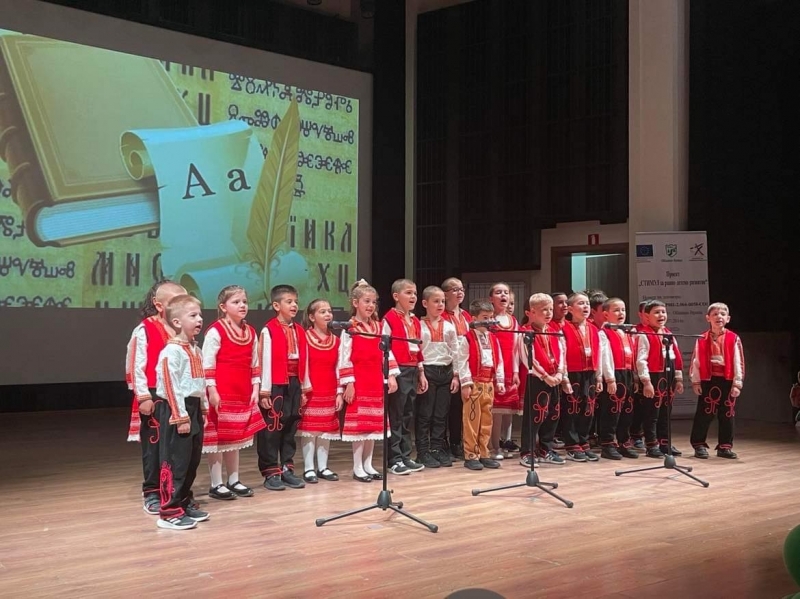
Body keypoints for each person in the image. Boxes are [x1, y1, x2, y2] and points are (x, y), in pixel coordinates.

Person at [125, 280, 186, 515]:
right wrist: (143, 396)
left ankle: (174, 492)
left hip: (178, 395)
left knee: (176, 447)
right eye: (175, 301)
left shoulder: (182, 329)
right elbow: (136, 364)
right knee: (154, 447)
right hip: (154, 395)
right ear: (159, 305)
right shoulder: (145, 329)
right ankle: (152, 491)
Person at [201, 285, 265, 500]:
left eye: (244, 302)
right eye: (236, 302)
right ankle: (216, 483)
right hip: (221, 391)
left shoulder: (251, 332)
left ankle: (234, 479)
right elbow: (207, 363)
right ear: (223, 307)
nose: (242, 305)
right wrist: (212, 390)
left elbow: (254, 363)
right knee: (219, 439)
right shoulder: (215, 331)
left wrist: (255, 388)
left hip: (242, 391)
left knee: (236, 437)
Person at [155, 294, 209, 530]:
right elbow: (170, 383)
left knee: (191, 459)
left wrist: (203, 408)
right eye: (193, 315)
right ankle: (169, 511)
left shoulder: (195, 349)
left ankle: (184, 501)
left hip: (193, 407)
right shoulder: (172, 351)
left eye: (200, 315)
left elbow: (200, 382)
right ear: (177, 322)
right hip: (178, 409)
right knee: (176, 460)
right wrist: (179, 416)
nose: (199, 319)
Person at [338, 280, 400, 481]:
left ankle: (368, 464)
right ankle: (357, 467)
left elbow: (387, 353)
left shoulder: (378, 327)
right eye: (367, 301)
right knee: (360, 427)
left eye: (374, 302)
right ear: (355, 303)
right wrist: (349, 383)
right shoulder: (349, 328)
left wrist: (391, 375)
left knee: (373, 426)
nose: (371, 305)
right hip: (359, 381)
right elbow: (344, 357)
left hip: (375, 380)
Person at [257, 284, 311, 491]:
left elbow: (304, 360)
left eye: (296, 301)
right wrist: (265, 391)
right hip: (275, 384)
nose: (294, 305)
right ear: (276, 305)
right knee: (272, 427)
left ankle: (287, 467)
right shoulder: (269, 330)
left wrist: (304, 387)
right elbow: (264, 360)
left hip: (294, 382)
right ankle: (271, 471)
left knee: (290, 425)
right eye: (289, 302)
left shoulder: (299, 331)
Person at [382, 278, 428, 474]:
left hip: (412, 369)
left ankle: (405, 455)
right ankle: (394, 458)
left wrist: (421, 372)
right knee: (396, 415)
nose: (413, 297)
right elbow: (385, 349)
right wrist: (391, 374)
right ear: (396, 296)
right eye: (408, 293)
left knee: (408, 414)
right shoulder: (389, 319)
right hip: (398, 370)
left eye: (415, 293)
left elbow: (418, 348)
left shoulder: (415, 320)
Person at [689, 302, 745, 459]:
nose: (719, 317)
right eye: (715, 314)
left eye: (722, 314)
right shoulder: (702, 338)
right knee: (704, 413)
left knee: (727, 414)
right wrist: (696, 381)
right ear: (708, 318)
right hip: (708, 380)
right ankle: (699, 444)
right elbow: (696, 361)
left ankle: (725, 446)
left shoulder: (733, 338)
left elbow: (738, 361)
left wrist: (737, 383)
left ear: (728, 318)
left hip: (727, 380)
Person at [517, 293, 566, 467]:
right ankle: (527, 451)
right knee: (535, 416)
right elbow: (528, 358)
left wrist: (560, 373)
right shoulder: (525, 333)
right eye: (544, 310)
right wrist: (545, 376)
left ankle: (546, 449)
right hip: (537, 379)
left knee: (553, 414)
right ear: (531, 312)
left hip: (554, 378)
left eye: (550, 309)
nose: (548, 313)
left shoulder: (554, 332)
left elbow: (561, 353)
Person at [298, 299, 342, 482]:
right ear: (311, 317)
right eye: (322, 312)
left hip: (329, 388)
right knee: (310, 430)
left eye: (329, 311)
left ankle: (323, 467)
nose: (328, 315)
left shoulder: (336, 341)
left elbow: (339, 367)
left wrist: (339, 392)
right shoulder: (304, 338)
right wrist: (303, 389)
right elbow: (302, 365)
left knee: (326, 430)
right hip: (311, 389)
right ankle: (309, 468)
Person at [457, 299, 505, 470]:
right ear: (474, 318)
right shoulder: (467, 338)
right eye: (485, 317)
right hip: (474, 384)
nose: (489, 321)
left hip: (489, 383)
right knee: (472, 420)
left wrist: (500, 380)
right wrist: (465, 384)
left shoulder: (493, 338)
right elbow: (462, 361)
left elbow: (499, 360)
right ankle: (471, 454)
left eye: (491, 317)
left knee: (486, 420)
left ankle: (484, 453)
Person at [417, 286, 460, 468]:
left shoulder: (449, 326)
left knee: (441, 414)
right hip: (428, 371)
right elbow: (417, 350)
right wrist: (420, 372)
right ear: (425, 303)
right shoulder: (419, 326)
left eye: (442, 301)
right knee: (425, 414)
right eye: (436, 301)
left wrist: (456, 375)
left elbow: (456, 351)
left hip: (446, 371)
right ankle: (422, 451)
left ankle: (437, 449)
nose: (440, 304)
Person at [635, 300, 684, 458]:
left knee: (665, 412)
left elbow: (676, 357)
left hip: (668, 376)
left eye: (663, 312)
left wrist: (678, 379)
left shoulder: (668, 334)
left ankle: (665, 443)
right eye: (656, 312)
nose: (661, 315)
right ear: (647, 317)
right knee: (652, 413)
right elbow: (641, 360)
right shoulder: (644, 335)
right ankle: (651, 444)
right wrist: (646, 382)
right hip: (654, 377)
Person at [560, 292, 605, 462]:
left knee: (588, 408)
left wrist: (599, 377)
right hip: (573, 372)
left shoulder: (594, 329)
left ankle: (583, 441)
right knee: (572, 408)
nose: (585, 306)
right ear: (570, 309)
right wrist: (564, 377)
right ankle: (572, 445)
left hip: (590, 372)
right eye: (580, 303)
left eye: (587, 303)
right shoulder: (564, 328)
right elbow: (562, 353)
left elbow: (599, 353)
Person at [598, 298, 639, 460]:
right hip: (615, 375)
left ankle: (624, 442)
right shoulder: (604, 333)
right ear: (606, 314)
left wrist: (635, 377)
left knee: (627, 410)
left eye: (623, 310)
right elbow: (605, 357)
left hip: (627, 374)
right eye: (616, 310)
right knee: (612, 411)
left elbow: (632, 356)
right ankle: (607, 444)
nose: (621, 313)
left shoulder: (626, 332)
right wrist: (609, 379)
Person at [488, 282, 520, 460]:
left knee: (508, 409)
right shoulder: (489, 320)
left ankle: (505, 442)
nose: (503, 295)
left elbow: (516, 348)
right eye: (499, 292)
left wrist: (515, 371)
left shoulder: (513, 321)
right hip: (493, 369)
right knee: (496, 410)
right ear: (491, 298)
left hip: (509, 368)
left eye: (506, 292)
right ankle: (494, 446)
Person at [442, 277, 472, 460]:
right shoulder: (442, 316)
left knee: (459, 407)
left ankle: (456, 442)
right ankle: (443, 443)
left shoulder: (467, 316)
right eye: (455, 289)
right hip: (448, 366)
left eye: (461, 289)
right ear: (445, 294)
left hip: (464, 366)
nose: (460, 292)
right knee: (446, 407)